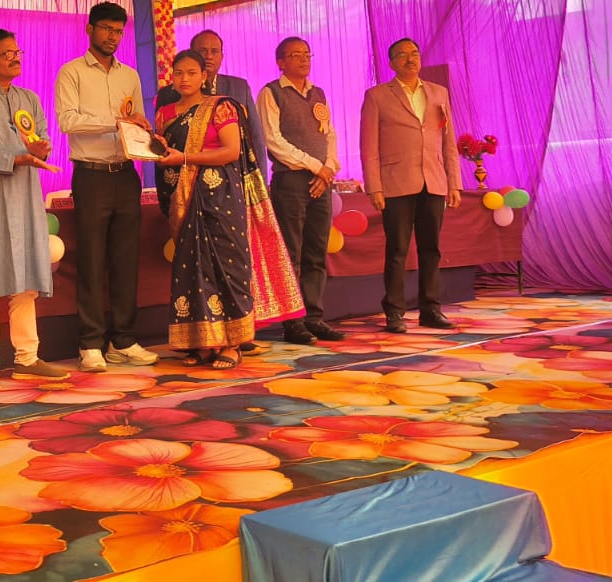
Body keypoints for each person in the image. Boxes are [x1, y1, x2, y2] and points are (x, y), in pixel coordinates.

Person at [0, 29, 71, 390]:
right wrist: (16, 158)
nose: (16, 58)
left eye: (17, 52)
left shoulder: (29, 98)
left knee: (26, 282)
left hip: (26, 199)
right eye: (7, 54)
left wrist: (40, 149)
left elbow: (41, 139)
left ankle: (27, 358)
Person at [54, 2, 159, 373]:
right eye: (106, 29)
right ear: (90, 29)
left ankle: (123, 340)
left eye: (118, 31)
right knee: (92, 260)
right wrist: (115, 120)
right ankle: (90, 343)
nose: (113, 37)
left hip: (127, 173)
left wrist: (143, 132)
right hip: (91, 175)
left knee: (126, 260)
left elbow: (134, 119)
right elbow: (68, 121)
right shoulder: (71, 72)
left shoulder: (129, 75)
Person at [154, 50, 256, 369]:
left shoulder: (221, 107)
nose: (184, 79)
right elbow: (161, 154)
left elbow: (231, 151)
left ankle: (232, 343)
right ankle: (202, 343)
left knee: (227, 265)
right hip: (183, 199)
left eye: (191, 72)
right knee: (191, 268)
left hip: (220, 197)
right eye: (178, 73)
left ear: (204, 77)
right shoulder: (165, 113)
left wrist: (185, 159)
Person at [361, 37, 460, 333]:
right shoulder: (377, 96)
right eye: (402, 55)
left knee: (432, 249)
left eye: (414, 53)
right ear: (392, 62)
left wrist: (454, 183)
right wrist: (374, 187)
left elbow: (448, 142)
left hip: (433, 181)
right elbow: (369, 147)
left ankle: (431, 309)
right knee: (397, 251)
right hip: (395, 183)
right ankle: (394, 312)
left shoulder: (438, 92)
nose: (410, 58)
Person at [258, 36, 346, 344]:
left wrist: (328, 169)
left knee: (316, 252)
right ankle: (293, 322)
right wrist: (315, 167)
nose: (304, 59)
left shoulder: (317, 93)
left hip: (321, 180)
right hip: (291, 181)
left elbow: (330, 135)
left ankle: (314, 317)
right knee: (291, 253)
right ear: (280, 62)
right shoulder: (271, 92)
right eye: (295, 55)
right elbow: (273, 140)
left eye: (307, 54)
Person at [156, 29, 268, 178]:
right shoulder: (168, 94)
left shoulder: (239, 87)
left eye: (214, 51)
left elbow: (255, 136)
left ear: (222, 56)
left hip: (231, 177)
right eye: (202, 51)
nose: (209, 56)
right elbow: (162, 146)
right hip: (180, 176)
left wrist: (261, 179)